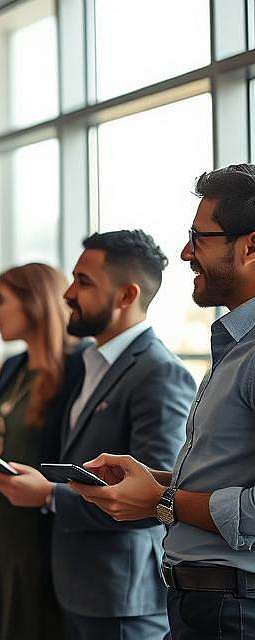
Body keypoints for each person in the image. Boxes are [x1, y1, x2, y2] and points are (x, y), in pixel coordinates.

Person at [73, 164, 255, 639]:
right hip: (202, 601)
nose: (185, 252)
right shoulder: (235, 344)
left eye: (199, 237)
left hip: (233, 607)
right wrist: (158, 482)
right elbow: (231, 475)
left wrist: (163, 501)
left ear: (250, 246)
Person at [0, 232, 193, 640]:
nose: (67, 293)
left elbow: (150, 498)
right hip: (76, 585)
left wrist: (47, 494)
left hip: (120, 597)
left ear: (126, 296)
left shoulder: (159, 373)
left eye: (84, 282)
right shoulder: (89, 363)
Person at [0, 263, 79, 640]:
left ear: (34, 303)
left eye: (1, 301)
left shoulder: (76, 369)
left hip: (38, 536)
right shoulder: (13, 367)